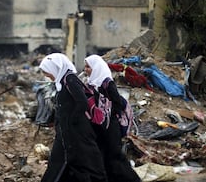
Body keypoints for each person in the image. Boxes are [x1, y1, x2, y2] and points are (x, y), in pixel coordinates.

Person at [39, 53, 108, 182]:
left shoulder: (70, 80)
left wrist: (72, 120)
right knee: (59, 160)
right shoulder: (61, 82)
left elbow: (82, 102)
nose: (46, 76)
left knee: (87, 160)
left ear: (55, 68)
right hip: (66, 131)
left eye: (47, 72)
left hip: (77, 131)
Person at [84, 54, 141, 182]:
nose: (85, 69)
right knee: (104, 156)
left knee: (115, 157)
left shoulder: (107, 83)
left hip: (110, 127)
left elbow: (118, 104)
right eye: (85, 67)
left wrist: (104, 111)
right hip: (100, 128)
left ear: (96, 67)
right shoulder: (92, 84)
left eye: (88, 67)